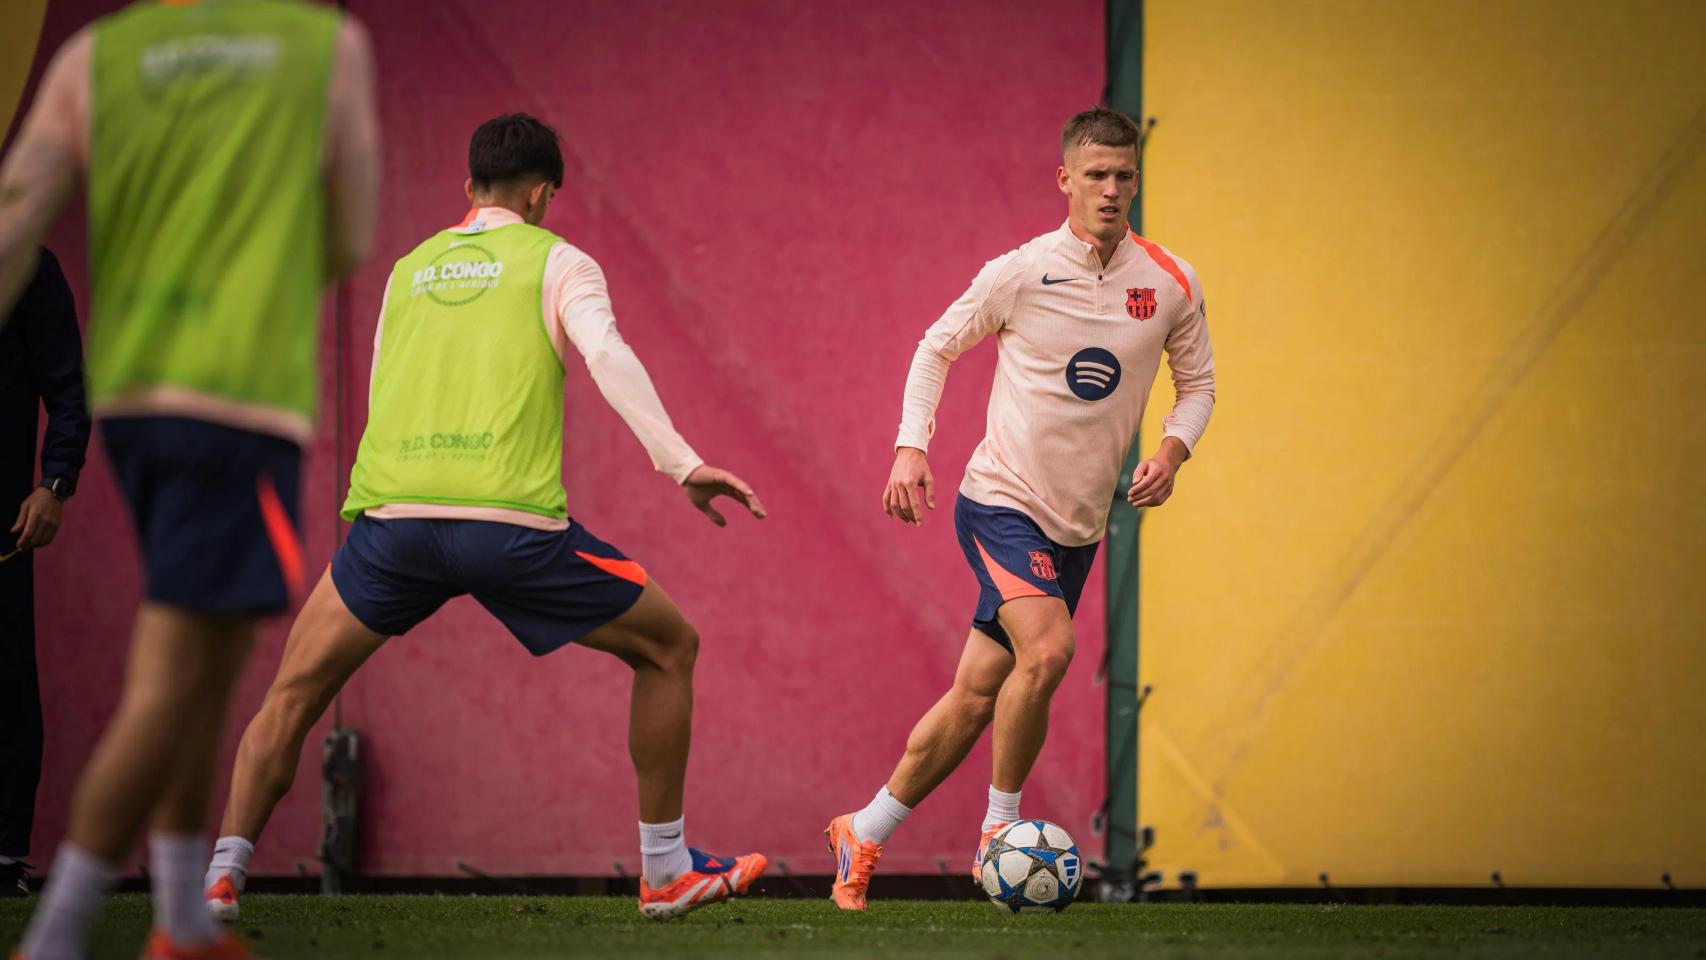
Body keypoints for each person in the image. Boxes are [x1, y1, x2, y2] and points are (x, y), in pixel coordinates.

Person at [201, 113, 768, 924]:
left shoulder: (407, 269)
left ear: (468, 188)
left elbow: (382, 383)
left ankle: (221, 877)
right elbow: (606, 354)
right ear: (540, 196)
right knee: (670, 647)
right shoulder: (560, 261)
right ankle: (665, 868)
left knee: (291, 693)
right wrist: (681, 462)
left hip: (391, 526)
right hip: (509, 528)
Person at [0, 0, 381, 956]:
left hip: (134, 401)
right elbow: (348, 232)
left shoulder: (96, 55)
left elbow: (16, 219)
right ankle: (58, 934)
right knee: (172, 678)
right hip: (235, 400)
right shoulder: (321, 45)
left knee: (209, 665)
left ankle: (180, 922)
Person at [824, 107, 1217, 910]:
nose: (1111, 190)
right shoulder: (1021, 271)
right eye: (1096, 174)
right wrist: (910, 445)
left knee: (976, 695)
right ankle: (1000, 834)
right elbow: (936, 345)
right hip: (1000, 501)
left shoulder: (1170, 282)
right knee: (1048, 653)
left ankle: (862, 831)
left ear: (1136, 180)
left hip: (1076, 526)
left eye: (1125, 175)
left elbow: (1200, 385)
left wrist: (1173, 450)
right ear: (1065, 179)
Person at [0, 248, 90, 899]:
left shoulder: (26, 263)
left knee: (6, 687)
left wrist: (55, 483)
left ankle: (4, 858)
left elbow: (68, 390)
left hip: (4, 530)